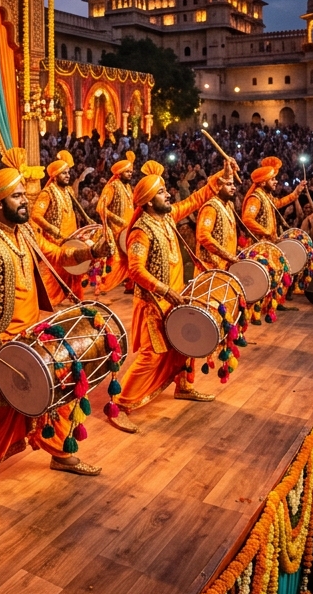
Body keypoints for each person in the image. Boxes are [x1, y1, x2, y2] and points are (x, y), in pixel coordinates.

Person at [0, 167, 103, 520]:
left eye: (23, 194)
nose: (24, 200)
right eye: (16, 196)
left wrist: (92, 250)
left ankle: (60, 452)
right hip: (0, 346)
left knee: (56, 399)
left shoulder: (24, 231)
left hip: (35, 337)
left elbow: (58, 254)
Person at [113, 163, 229, 420]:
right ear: (149, 201)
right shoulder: (141, 231)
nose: (168, 195)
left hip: (175, 298)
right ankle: (120, 404)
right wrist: (164, 290)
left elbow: (194, 200)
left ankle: (184, 386)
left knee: (185, 343)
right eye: (162, 192)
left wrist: (220, 176)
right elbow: (135, 270)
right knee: (152, 355)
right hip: (153, 303)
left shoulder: (166, 218)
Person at [31, 151, 82, 303]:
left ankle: (73, 297)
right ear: (55, 175)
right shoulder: (47, 193)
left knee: (74, 269)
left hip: (71, 238)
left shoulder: (68, 191)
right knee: (54, 273)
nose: (67, 175)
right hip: (55, 241)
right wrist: (54, 231)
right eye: (63, 173)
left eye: (68, 172)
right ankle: (46, 301)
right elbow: (36, 215)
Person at [96, 153, 135, 294]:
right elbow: (100, 207)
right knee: (117, 260)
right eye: (127, 171)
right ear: (119, 173)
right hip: (116, 231)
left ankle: (130, 285)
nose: (130, 174)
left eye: (131, 171)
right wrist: (119, 220)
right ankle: (104, 286)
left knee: (131, 258)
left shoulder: (128, 187)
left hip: (127, 230)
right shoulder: (112, 186)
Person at [241, 157, 305, 242]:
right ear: (263, 182)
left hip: (268, 243)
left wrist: (296, 193)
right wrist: (266, 232)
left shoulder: (266, 196)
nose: (276, 182)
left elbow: (279, 203)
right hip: (259, 246)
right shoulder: (255, 198)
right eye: (272, 179)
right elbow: (247, 219)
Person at [194, 164, 240, 270]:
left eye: (233, 184)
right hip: (211, 268)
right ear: (218, 186)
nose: (233, 187)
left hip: (226, 265)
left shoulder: (228, 205)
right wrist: (228, 256)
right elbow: (203, 236)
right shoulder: (211, 207)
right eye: (228, 184)